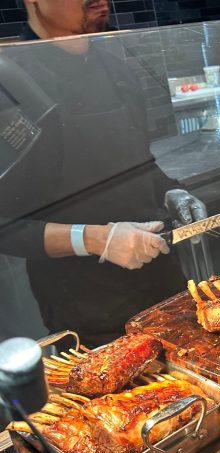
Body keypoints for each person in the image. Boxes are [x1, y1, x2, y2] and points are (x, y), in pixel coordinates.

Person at [0, 0, 206, 346]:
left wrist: (171, 191)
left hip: (166, 285)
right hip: (87, 309)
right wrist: (97, 239)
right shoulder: (8, 84)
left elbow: (139, 163)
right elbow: (5, 227)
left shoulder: (117, 68)